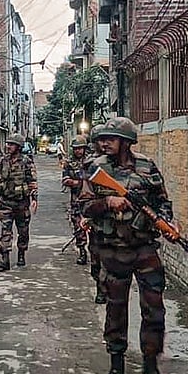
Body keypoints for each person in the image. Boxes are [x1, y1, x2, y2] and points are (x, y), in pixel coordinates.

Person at [80, 116, 173, 374]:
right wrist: (108, 201)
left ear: (127, 142)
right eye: (101, 139)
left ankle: (150, 365)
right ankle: (117, 362)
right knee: (116, 308)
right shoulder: (95, 168)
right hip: (112, 250)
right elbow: (84, 207)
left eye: (110, 138)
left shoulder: (146, 166)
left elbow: (162, 201)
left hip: (144, 249)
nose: (103, 142)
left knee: (154, 308)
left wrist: (168, 224)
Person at [0, 133, 38, 271]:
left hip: (21, 203)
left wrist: (34, 199)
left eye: (11, 144)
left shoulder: (26, 161)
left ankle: (21, 254)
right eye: (7, 144)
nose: (8, 147)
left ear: (18, 147)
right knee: (5, 232)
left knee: (23, 231)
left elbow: (32, 181)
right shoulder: (3, 161)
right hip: (6, 202)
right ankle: (5, 259)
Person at [83, 123, 108, 304]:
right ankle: (100, 288)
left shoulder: (132, 164)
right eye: (100, 140)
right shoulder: (91, 164)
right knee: (96, 259)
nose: (104, 144)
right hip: (99, 222)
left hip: (124, 226)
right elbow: (85, 198)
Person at [62, 135, 91, 266]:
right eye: (76, 149)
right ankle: (82, 251)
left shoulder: (92, 161)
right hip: (77, 200)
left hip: (92, 200)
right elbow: (66, 180)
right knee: (78, 227)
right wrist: (80, 183)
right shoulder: (69, 163)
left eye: (80, 148)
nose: (78, 151)